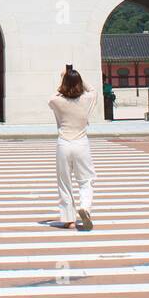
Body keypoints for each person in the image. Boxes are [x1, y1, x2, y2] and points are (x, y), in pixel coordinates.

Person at [50, 65, 96, 231]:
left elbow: (52, 97)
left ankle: (69, 219)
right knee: (86, 180)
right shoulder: (87, 99)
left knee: (64, 182)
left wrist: (63, 78)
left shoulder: (57, 101)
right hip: (81, 142)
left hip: (63, 143)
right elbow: (93, 90)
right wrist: (79, 76)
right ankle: (85, 206)